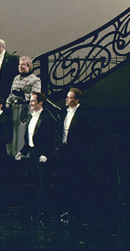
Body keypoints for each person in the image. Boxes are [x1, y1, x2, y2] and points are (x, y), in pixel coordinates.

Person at [15, 91, 56, 217]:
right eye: (30, 101)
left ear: (40, 102)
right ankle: (40, 211)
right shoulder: (31, 117)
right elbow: (29, 138)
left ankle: (48, 212)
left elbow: (51, 138)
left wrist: (46, 154)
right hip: (33, 153)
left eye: (33, 101)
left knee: (44, 183)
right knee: (36, 183)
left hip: (42, 154)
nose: (30, 103)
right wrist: (22, 152)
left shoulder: (47, 118)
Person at [58, 88, 93, 219]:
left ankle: (78, 210)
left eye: (69, 97)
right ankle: (66, 209)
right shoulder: (63, 112)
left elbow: (87, 135)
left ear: (76, 100)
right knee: (65, 180)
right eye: (67, 97)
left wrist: (80, 149)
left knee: (77, 180)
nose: (66, 99)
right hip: (64, 151)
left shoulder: (83, 114)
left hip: (77, 153)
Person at [6, 56, 41, 156]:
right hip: (14, 110)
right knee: (14, 135)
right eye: (19, 64)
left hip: (25, 110)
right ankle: (13, 157)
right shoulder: (16, 78)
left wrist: (23, 95)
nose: (20, 67)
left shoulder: (35, 80)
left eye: (23, 65)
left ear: (29, 66)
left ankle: (23, 157)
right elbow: (11, 94)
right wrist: (7, 104)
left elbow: (36, 96)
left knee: (22, 136)